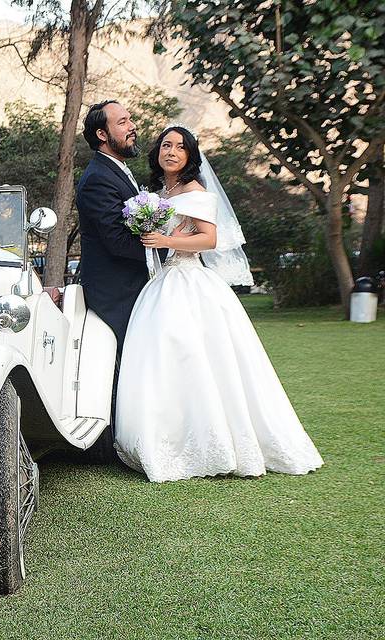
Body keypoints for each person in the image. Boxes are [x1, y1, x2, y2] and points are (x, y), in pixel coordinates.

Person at [114, 125, 324, 482]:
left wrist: (165, 239)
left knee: (195, 354)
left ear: (190, 156)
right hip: (163, 280)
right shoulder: (159, 192)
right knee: (162, 358)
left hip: (190, 279)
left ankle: (217, 443)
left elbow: (208, 239)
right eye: (166, 145)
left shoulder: (196, 192)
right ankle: (165, 435)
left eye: (181, 148)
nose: (172, 152)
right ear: (158, 152)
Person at [75, 100, 163, 459]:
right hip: (117, 291)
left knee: (145, 361)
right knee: (131, 364)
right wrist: (166, 247)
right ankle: (115, 445)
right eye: (123, 122)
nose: (132, 126)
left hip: (133, 285)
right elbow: (115, 240)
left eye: (131, 120)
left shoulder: (119, 170)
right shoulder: (97, 178)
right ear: (102, 134)